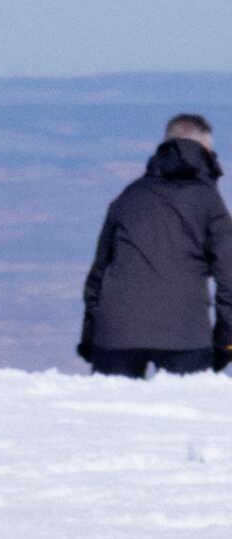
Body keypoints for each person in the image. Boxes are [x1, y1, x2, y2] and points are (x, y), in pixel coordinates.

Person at [80, 113, 229, 375]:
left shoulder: (130, 195)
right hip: (185, 334)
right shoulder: (208, 202)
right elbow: (228, 276)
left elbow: (99, 273)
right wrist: (226, 342)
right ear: (206, 151)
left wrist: (92, 333)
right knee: (184, 413)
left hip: (116, 334)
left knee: (110, 414)